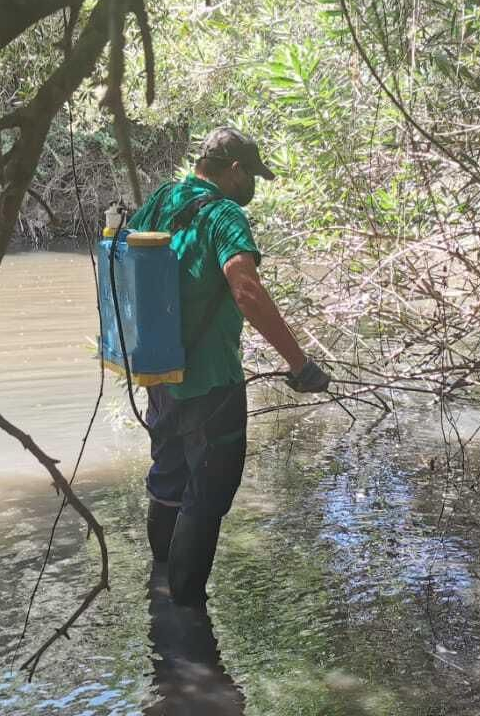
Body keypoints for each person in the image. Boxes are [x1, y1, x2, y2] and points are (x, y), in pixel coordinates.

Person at [126, 126, 329, 608]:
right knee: (209, 492)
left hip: (160, 372)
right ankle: (188, 613)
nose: (254, 186)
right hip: (211, 381)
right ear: (234, 170)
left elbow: (128, 261)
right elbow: (247, 292)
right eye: (252, 175)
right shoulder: (224, 214)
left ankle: (160, 592)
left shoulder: (163, 198)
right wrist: (298, 363)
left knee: (169, 474)